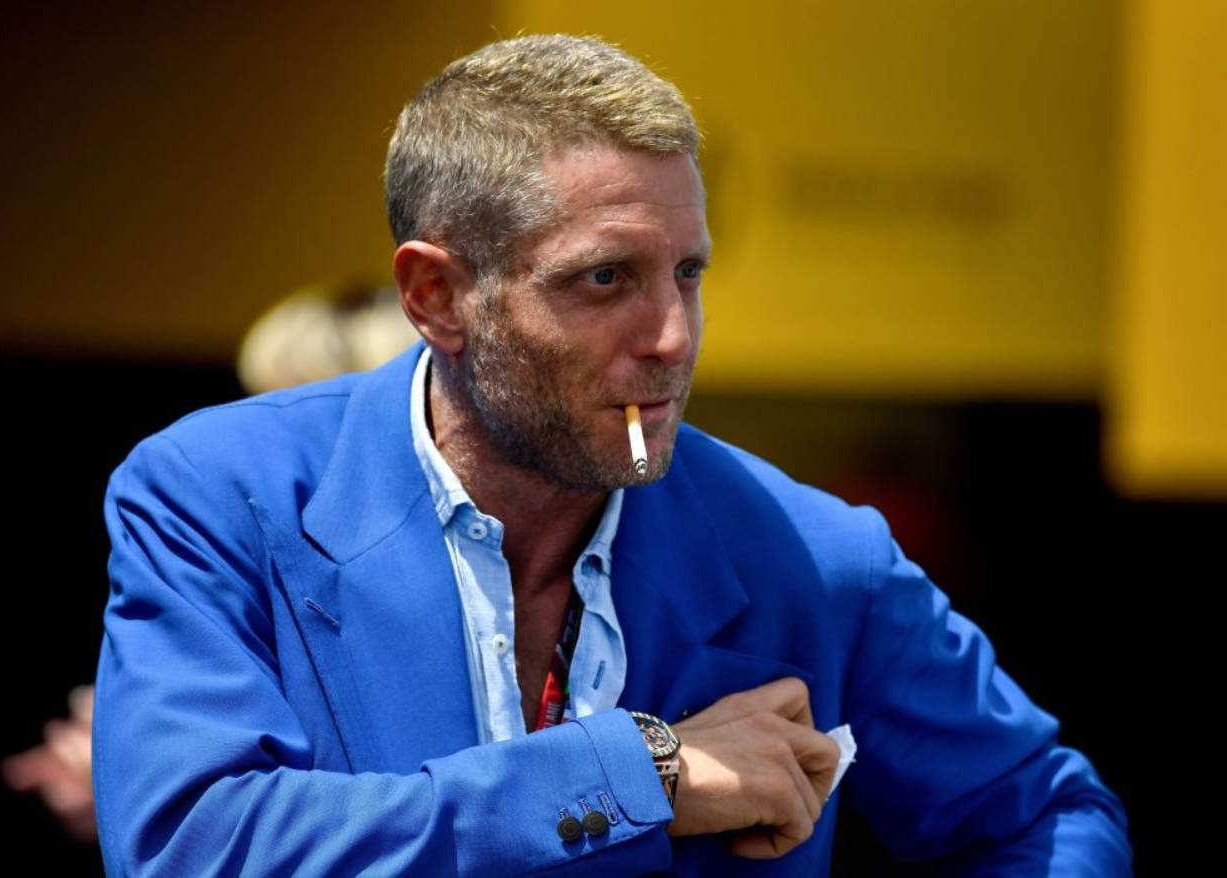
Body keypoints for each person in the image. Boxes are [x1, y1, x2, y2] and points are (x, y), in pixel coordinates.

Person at [92, 35, 1132, 876]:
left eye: (687, 274)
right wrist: (643, 773)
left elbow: (1049, 819)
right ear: (436, 296)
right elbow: (187, 847)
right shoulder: (219, 495)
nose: (672, 336)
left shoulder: (815, 557)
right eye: (604, 279)